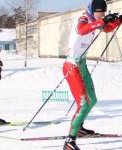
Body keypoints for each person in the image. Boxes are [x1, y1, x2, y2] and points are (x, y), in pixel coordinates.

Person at [63, 0, 121, 149]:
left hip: (81, 65)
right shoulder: (83, 18)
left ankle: (79, 127)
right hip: (72, 65)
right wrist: (102, 21)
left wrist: (118, 20)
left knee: (92, 100)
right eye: (100, 12)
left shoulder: (95, 19)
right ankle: (69, 142)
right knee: (83, 104)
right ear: (93, 11)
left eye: (104, 12)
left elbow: (106, 28)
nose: (102, 15)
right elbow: (82, 29)